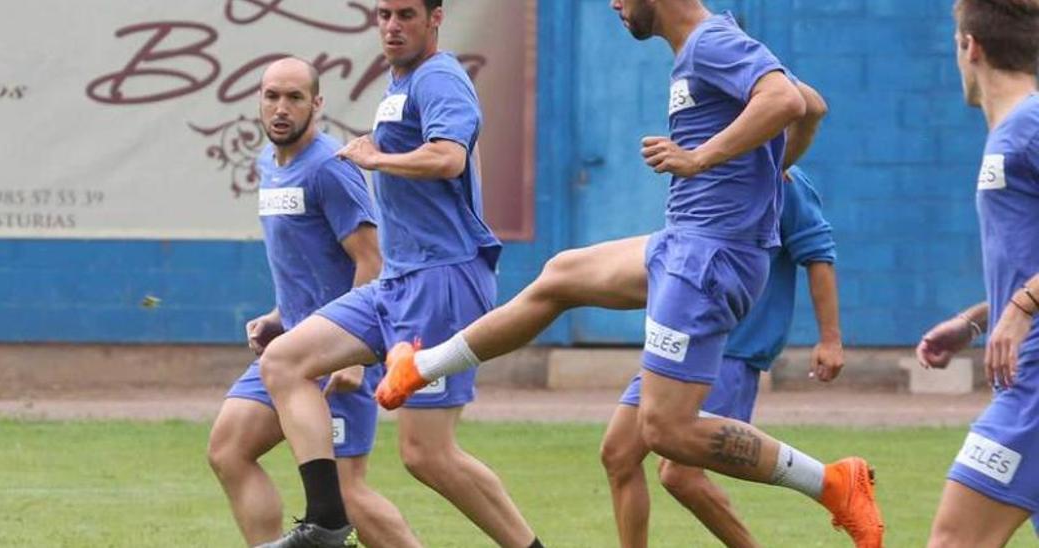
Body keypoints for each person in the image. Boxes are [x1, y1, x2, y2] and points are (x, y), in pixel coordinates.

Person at [376, 1, 884, 546]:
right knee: (560, 276)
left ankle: (832, 483)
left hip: (708, 259)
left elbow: (784, 100)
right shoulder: (705, 44)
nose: (615, 4)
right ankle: (422, 367)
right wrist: (767, 170)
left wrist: (702, 158)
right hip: (684, 245)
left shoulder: (711, 41)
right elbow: (810, 106)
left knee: (667, 432)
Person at [257, 1, 544, 547]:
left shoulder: (439, 78)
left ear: (436, 18)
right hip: (396, 282)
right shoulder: (402, 84)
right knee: (285, 360)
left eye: (406, 14)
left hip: (442, 283)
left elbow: (447, 158)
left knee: (427, 454)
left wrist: (376, 159)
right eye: (384, 13)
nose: (392, 25)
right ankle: (326, 521)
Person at [207, 57, 419, 548]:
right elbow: (309, 259)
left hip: (337, 350)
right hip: (291, 350)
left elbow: (371, 263)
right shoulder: (267, 162)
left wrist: (352, 361)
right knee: (229, 450)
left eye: (294, 97)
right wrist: (281, 314)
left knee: (347, 493)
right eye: (272, 96)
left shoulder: (330, 168)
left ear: (317, 104)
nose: (281, 108)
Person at [604, 166, 844, 548]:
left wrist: (830, 338)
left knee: (679, 474)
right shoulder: (709, 170)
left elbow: (818, 256)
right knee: (618, 454)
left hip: (731, 347)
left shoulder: (785, 180)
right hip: (681, 340)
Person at [916, 1, 1039, 546]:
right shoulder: (1012, 134)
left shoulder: (1030, 125)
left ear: (971, 47)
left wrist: (1020, 310)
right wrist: (975, 320)